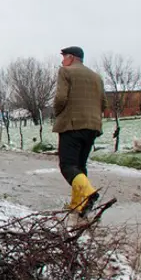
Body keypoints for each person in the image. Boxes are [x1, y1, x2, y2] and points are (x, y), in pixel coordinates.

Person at [52, 46, 107, 216]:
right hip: (92, 126)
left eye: (64, 57)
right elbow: (103, 103)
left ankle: (89, 193)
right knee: (80, 165)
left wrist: (57, 112)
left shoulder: (66, 72)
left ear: (71, 57)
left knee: (67, 165)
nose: (62, 61)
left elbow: (61, 98)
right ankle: (78, 204)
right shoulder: (96, 77)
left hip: (72, 124)